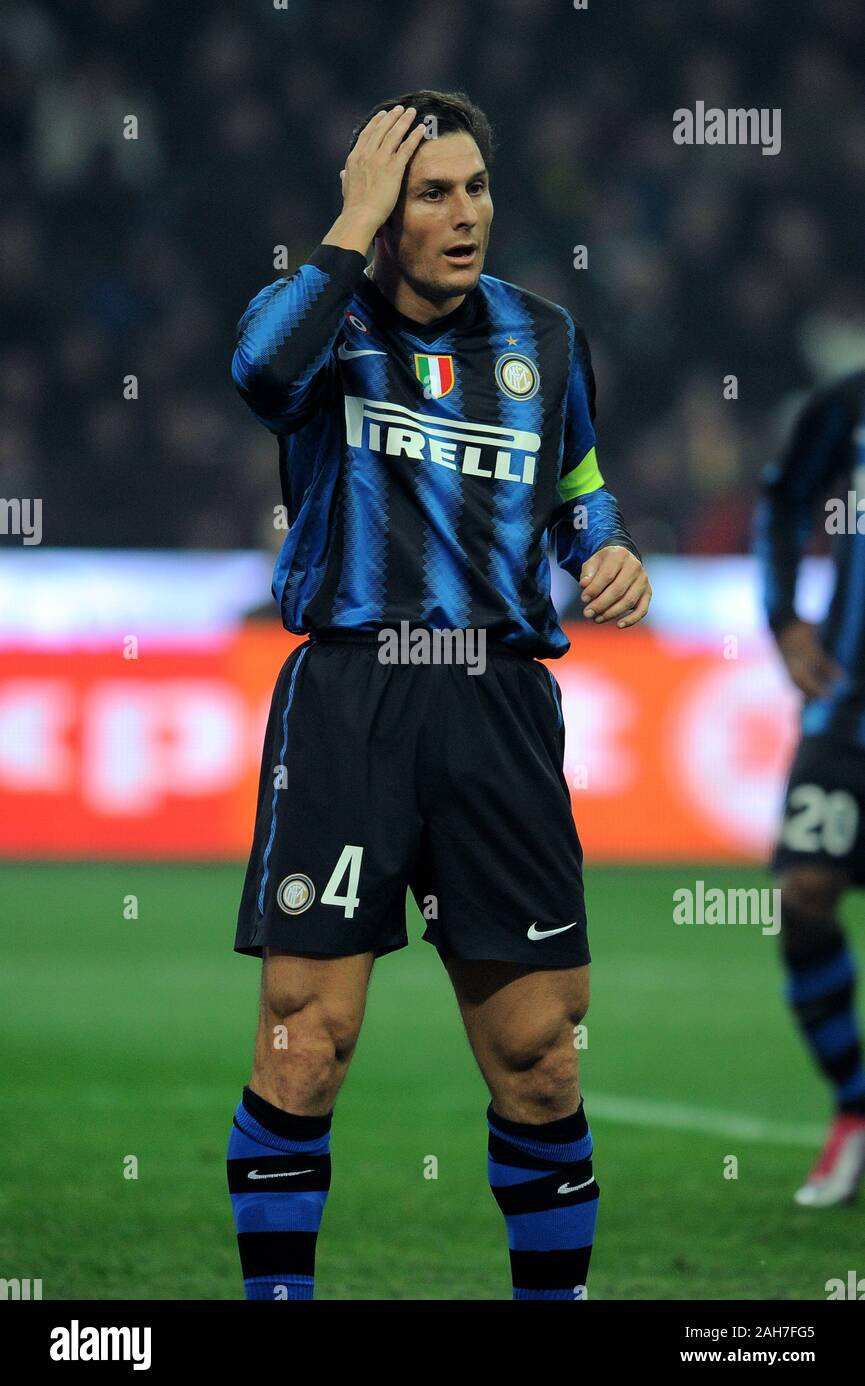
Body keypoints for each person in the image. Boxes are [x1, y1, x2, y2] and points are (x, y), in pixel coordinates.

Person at [226, 89, 651, 1299]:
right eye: (431, 192)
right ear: (382, 209)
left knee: (539, 1063)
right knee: (307, 1045)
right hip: (353, 697)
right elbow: (259, 377)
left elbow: (577, 483)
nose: (463, 215)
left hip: (498, 705)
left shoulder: (545, 336)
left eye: (474, 188)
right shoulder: (316, 321)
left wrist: (604, 550)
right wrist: (347, 224)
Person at [757, 369, 865, 1206]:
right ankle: (853, 1109)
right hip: (848, 701)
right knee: (802, 895)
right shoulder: (847, 402)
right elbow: (787, 496)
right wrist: (783, 616)